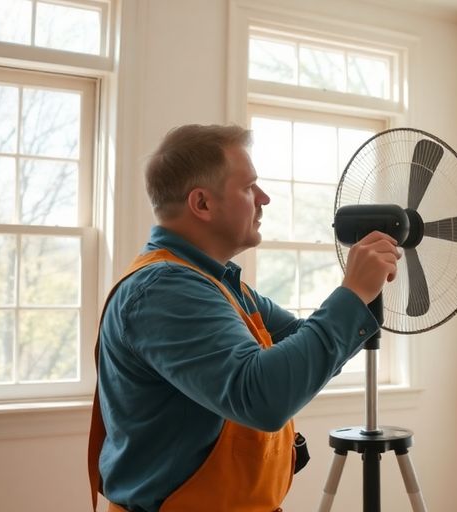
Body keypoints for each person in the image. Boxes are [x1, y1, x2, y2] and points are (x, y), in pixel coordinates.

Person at [88, 124, 400, 512]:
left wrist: (361, 295)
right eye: (249, 187)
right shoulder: (164, 291)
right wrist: (353, 294)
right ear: (202, 203)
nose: (264, 198)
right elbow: (263, 397)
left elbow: (302, 345)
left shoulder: (220, 285)